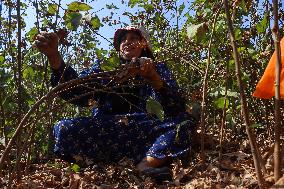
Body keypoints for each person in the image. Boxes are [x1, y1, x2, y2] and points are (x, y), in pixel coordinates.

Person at [34, 25, 198, 182]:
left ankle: (146, 164)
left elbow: (175, 108)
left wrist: (154, 79)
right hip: (109, 131)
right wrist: (54, 57)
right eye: (123, 39)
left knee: (185, 123)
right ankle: (99, 164)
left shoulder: (158, 68)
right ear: (119, 47)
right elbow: (77, 93)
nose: (127, 41)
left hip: (148, 132)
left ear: (144, 45)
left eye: (134, 38)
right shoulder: (104, 68)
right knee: (62, 128)